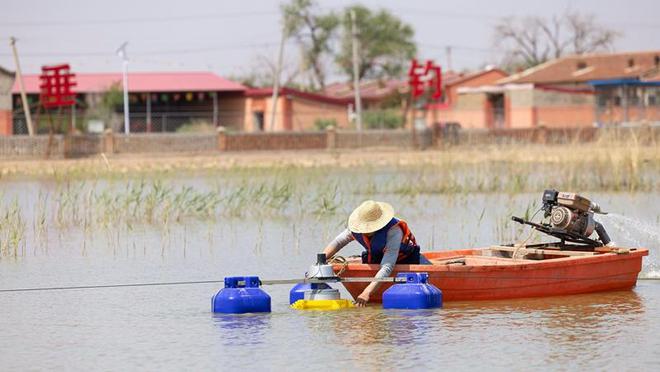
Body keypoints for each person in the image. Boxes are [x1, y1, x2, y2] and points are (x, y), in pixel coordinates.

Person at [322, 200, 430, 307]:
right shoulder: (355, 228)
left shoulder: (394, 230)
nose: (364, 231)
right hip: (378, 257)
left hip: (406, 259)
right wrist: (320, 262)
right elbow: (338, 242)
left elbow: (387, 266)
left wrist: (367, 292)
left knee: (428, 266)